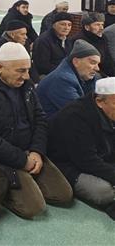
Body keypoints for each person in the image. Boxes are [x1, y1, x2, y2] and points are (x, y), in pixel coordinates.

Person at [0, 42, 73, 219]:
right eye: (21, 71)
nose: (27, 76)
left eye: (28, 70)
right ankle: (6, 186)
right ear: (0, 68)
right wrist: (22, 160)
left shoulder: (25, 84)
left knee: (63, 195)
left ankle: (28, 177)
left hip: (29, 150)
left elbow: (40, 118)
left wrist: (37, 151)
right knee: (34, 208)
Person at [48, 78, 115, 220]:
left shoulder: (108, 110)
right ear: (100, 102)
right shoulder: (75, 117)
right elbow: (86, 161)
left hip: (101, 156)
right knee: (104, 192)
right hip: (69, 164)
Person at [36, 40, 100, 118]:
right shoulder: (62, 80)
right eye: (93, 63)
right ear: (76, 62)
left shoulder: (85, 76)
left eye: (98, 64)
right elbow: (81, 114)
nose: (97, 68)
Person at [71, 12, 115, 76]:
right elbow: (85, 66)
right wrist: (105, 77)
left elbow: (108, 59)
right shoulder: (79, 41)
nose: (101, 28)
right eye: (97, 25)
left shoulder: (102, 37)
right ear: (87, 27)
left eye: (102, 24)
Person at [32, 12, 74, 77]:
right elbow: (42, 67)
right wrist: (65, 71)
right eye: (63, 24)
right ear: (54, 25)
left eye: (69, 25)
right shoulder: (43, 41)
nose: (66, 28)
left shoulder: (68, 40)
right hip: (48, 75)